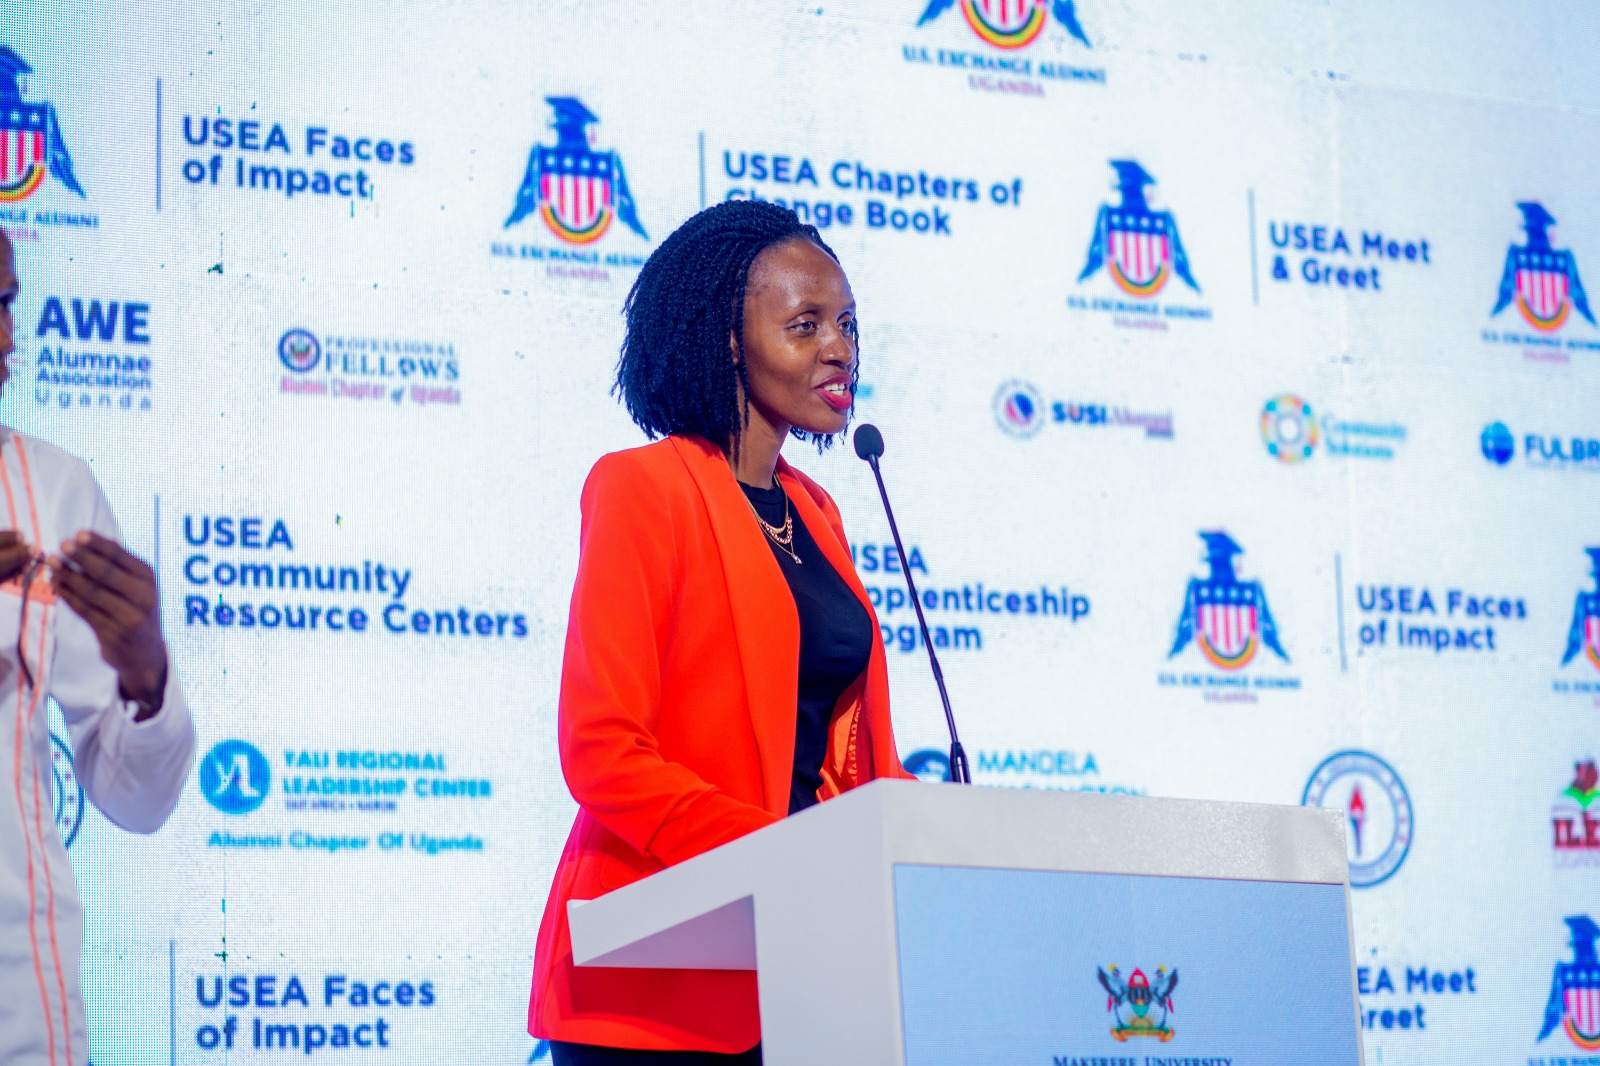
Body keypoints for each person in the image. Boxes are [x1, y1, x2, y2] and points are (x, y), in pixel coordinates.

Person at [529, 200, 912, 1064]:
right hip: (658, 981)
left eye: (848, 324)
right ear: (729, 341)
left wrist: (923, 832)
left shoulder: (817, 512)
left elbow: (845, 755)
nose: (841, 348)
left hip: (807, 968)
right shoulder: (643, 489)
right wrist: (783, 857)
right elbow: (602, 749)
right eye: (806, 324)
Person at [0, 228, 196, 1066]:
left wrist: (145, 672)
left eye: (8, 304)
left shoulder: (49, 490)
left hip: (18, 1003)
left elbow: (134, 801)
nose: (9, 337)